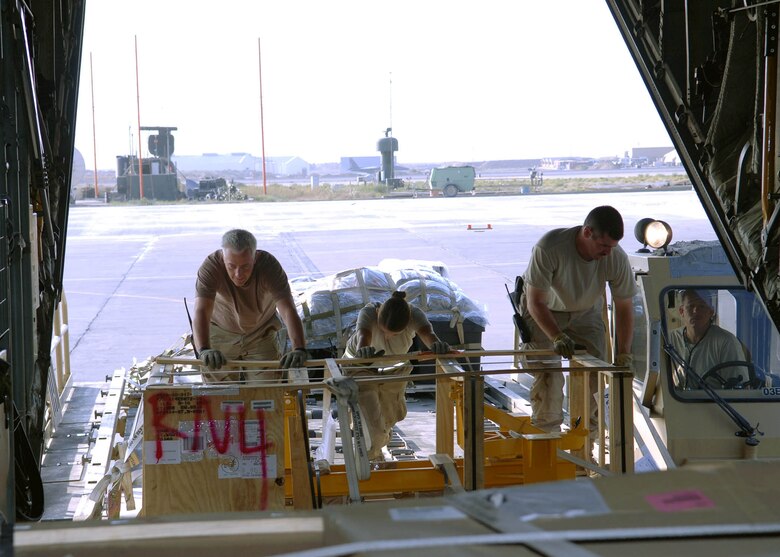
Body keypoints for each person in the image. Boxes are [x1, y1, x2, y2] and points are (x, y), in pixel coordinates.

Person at [519, 205, 636, 433]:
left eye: (612, 247)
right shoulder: (550, 247)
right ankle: (548, 443)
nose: (607, 252)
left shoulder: (615, 257)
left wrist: (624, 353)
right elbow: (535, 302)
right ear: (587, 233)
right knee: (548, 375)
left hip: (586, 309)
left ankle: (584, 444)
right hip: (545, 309)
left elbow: (624, 307)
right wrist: (557, 336)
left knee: (594, 374)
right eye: (603, 245)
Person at [342, 291, 450, 460]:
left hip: (392, 373)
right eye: (384, 331)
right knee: (371, 427)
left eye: (394, 334)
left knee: (390, 417)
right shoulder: (369, 312)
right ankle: (370, 457)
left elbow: (429, 335)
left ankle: (379, 442)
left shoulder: (414, 315)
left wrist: (437, 346)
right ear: (377, 315)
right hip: (361, 370)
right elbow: (364, 336)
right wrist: (364, 350)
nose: (388, 337)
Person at [192, 229, 307, 382]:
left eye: (245, 266)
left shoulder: (269, 267)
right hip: (221, 333)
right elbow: (201, 310)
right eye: (231, 266)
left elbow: (287, 310)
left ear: (255, 257)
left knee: (267, 393)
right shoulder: (211, 266)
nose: (238, 274)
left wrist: (299, 348)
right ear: (223, 257)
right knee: (218, 395)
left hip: (261, 334)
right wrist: (204, 349)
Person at [668, 289, 748, 389]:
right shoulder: (670, 339)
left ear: (711, 312)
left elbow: (739, 389)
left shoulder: (726, 342)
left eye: (702, 306)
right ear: (681, 311)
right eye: (691, 306)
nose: (695, 311)